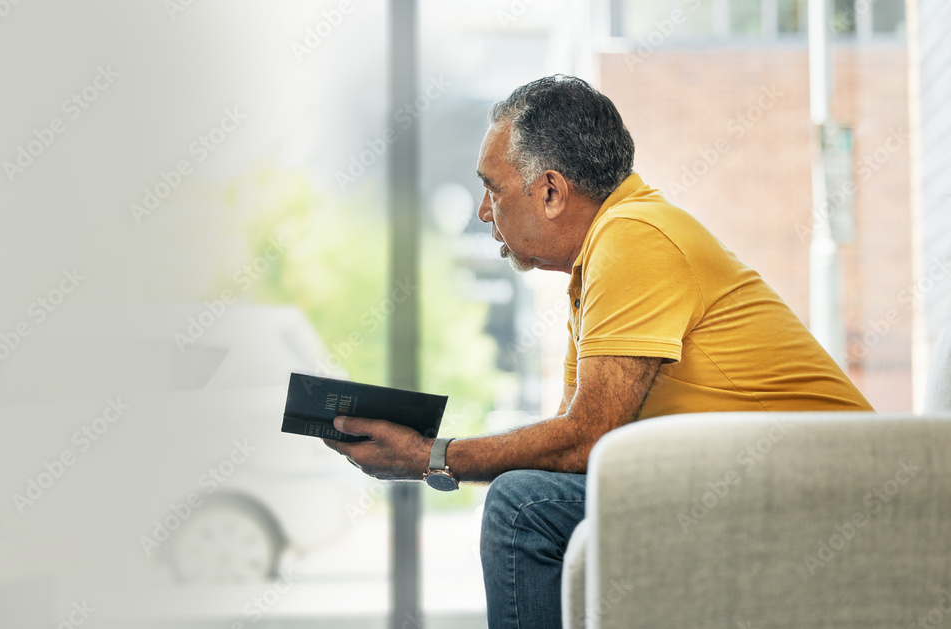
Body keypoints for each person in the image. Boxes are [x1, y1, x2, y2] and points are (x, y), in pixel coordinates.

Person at [323, 75, 873, 628]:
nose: (486, 213)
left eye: (494, 189)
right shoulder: (596, 265)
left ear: (552, 191)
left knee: (525, 507)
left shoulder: (634, 236)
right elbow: (570, 439)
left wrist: (429, 457)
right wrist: (431, 452)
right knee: (538, 496)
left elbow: (588, 442)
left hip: (825, 494)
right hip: (759, 481)